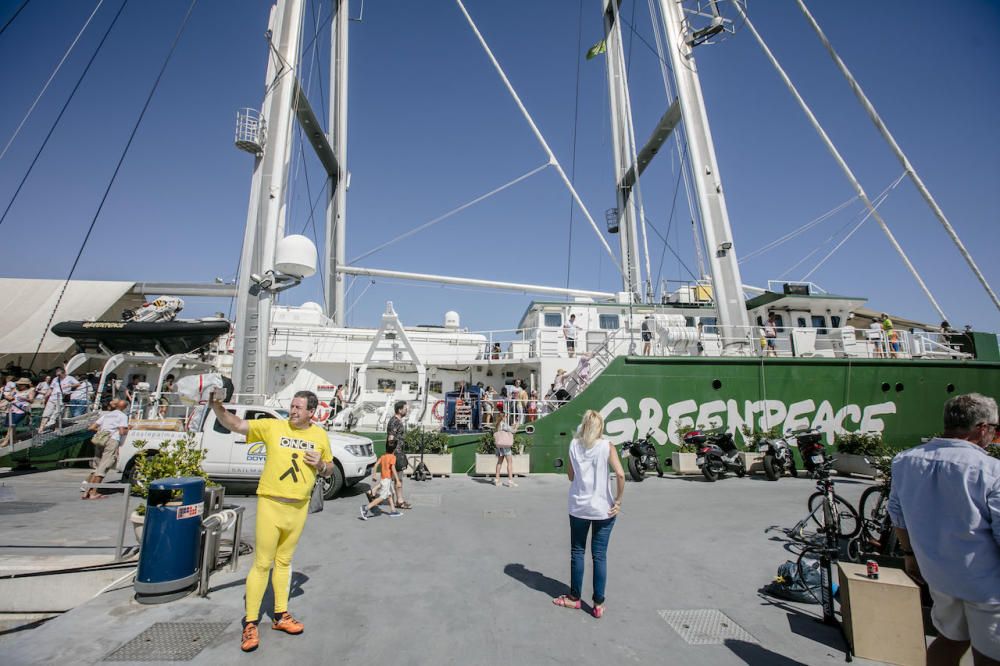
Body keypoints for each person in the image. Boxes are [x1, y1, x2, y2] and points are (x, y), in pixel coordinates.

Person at [208, 390, 334, 653]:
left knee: (284, 562)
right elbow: (236, 424)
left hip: (298, 508)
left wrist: (321, 465)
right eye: (292, 405)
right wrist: (217, 407)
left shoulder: (320, 435)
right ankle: (250, 622)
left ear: (311, 412)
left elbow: (329, 468)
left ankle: (280, 615)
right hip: (271, 504)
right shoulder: (273, 427)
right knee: (263, 563)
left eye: (299, 407)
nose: (294, 410)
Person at [887, 393, 1000, 666]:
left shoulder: (905, 460)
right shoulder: (991, 470)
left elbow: (897, 514)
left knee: (950, 639)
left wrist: (909, 555)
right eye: (995, 429)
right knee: (990, 655)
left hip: (938, 575)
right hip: (986, 585)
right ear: (982, 428)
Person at [553, 410, 625, 618]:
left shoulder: (574, 445)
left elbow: (570, 476)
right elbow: (620, 474)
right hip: (604, 508)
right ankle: (598, 604)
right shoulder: (607, 446)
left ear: (584, 425)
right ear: (600, 427)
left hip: (579, 507)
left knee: (577, 552)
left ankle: (574, 598)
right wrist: (618, 501)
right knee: (599, 555)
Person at [82, 400, 129, 500]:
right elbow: (122, 432)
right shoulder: (122, 416)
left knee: (97, 467)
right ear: (125, 407)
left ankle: (86, 492)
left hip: (100, 441)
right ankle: (94, 493)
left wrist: (102, 431)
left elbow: (91, 427)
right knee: (104, 467)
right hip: (112, 440)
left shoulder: (107, 415)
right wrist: (128, 429)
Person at [360, 440, 402, 519]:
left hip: (384, 479)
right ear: (394, 449)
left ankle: (393, 510)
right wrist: (398, 480)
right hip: (387, 480)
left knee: (389, 494)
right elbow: (393, 468)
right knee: (382, 497)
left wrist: (374, 475)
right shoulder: (393, 457)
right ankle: (365, 508)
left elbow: (376, 465)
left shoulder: (383, 456)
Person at [386, 400, 413, 510]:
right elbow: (391, 438)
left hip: (397, 453)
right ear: (400, 410)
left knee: (391, 478)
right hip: (396, 454)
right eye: (406, 409)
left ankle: (372, 492)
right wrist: (392, 455)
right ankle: (400, 501)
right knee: (398, 479)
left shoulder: (395, 421)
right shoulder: (395, 421)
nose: (407, 411)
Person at [39, 367, 79, 431]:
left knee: (57, 412)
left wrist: (69, 386)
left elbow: (78, 384)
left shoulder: (70, 378)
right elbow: (51, 389)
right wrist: (45, 397)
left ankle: (50, 424)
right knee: (46, 413)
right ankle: (41, 428)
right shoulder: (55, 379)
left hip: (61, 397)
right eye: (57, 375)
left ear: (64, 373)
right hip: (53, 397)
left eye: (59, 375)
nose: (58, 376)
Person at [2, 378, 35, 448]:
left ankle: (6, 441)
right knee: (11, 424)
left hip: (22, 409)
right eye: (18, 384)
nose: (19, 385)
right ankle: (14, 439)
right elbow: (10, 398)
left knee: (12, 424)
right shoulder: (15, 390)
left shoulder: (30, 390)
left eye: (21, 384)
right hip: (12, 408)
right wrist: (4, 395)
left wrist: (24, 399)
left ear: (25, 385)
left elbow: (31, 400)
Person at [494, 418, 517, 487]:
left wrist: (511, 427)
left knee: (499, 462)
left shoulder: (497, 424)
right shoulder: (504, 424)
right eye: (506, 416)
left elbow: (506, 429)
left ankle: (497, 480)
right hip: (506, 446)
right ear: (503, 417)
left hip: (499, 446)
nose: (506, 418)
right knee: (509, 462)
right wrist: (516, 426)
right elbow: (513, 431)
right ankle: (510, 481)